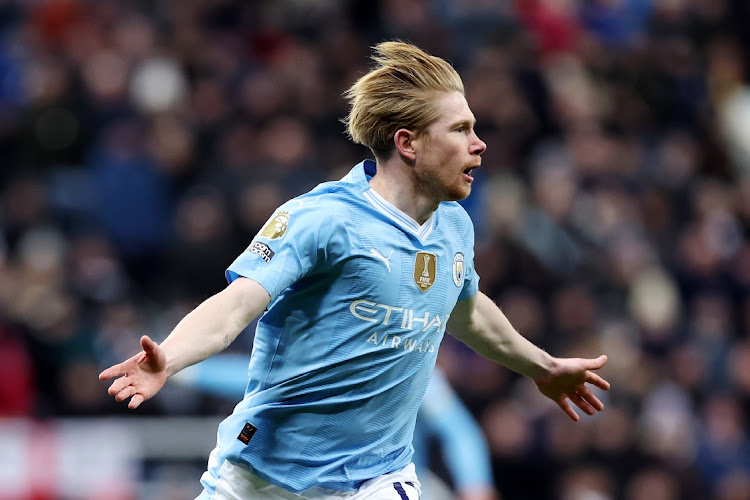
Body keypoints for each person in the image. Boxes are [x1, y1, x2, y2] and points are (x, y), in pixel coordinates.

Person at [99, 41, 610, 500]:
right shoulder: (321, 219)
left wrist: (541, 367)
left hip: (377, 480)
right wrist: (170, 357)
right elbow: (235, 308)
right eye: (461, 130)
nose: (479, 144)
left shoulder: (454, 226)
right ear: (408, 144)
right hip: (264, 478)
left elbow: (467, 310)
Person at [174, 356, 498, 499]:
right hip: (308, 487)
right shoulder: (317, 361)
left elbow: (460, 432)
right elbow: (246, 380)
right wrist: (183, 369)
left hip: (386, 486)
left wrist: (476, 485)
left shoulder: (410, 368)